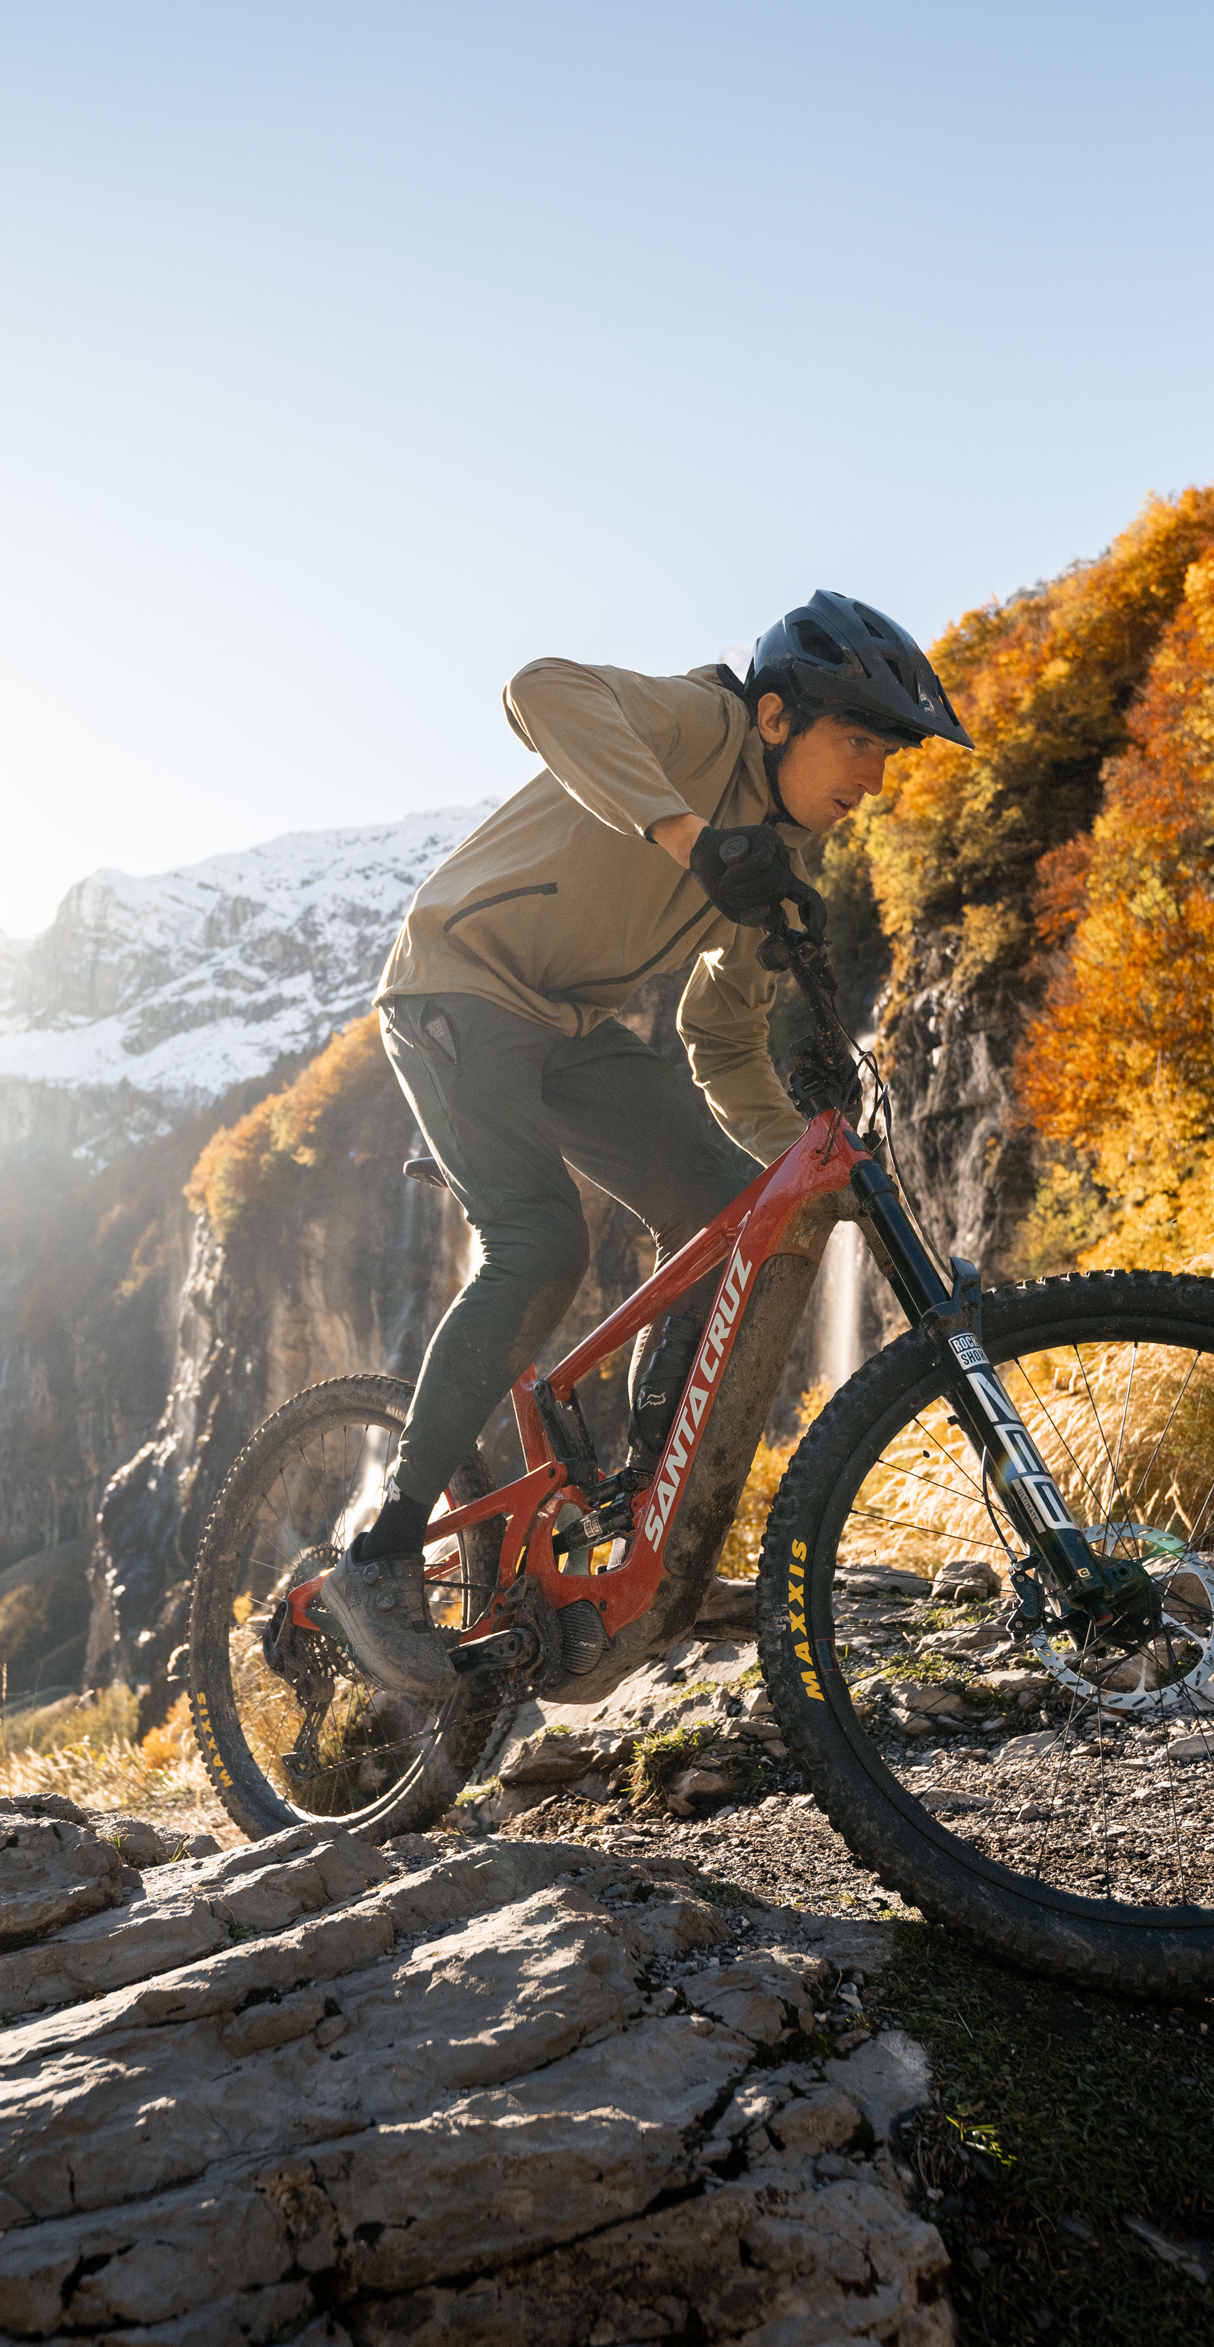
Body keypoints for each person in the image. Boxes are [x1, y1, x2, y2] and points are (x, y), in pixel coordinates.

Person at [313, 592, 974, 1692]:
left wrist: (801, 1173)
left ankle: (648, 1535)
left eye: (890, 753)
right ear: (775, 718)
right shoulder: (697, 724)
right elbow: (540, 690)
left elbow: (720, 1035)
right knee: (539, 1241)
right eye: (859, 739)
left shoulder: (778, 861)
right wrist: (689, 836)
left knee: (729, 1220)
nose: (876, 773)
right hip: (457, 991)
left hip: (568, 1031)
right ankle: (381, 1551)